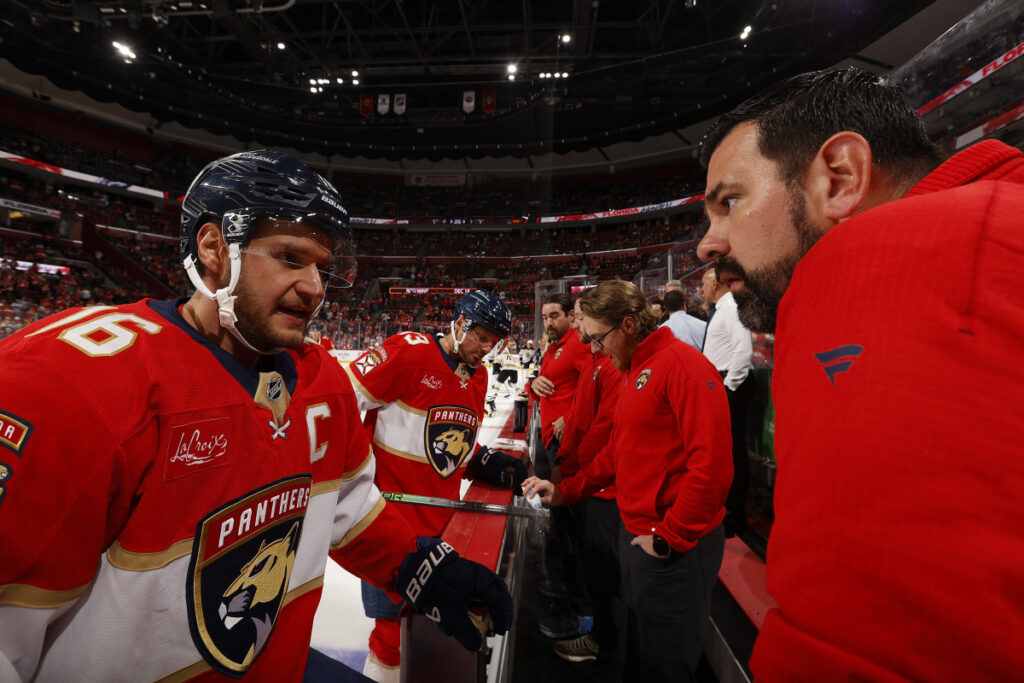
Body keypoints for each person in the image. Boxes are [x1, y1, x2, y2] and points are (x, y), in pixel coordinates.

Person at [0, 150, 513, 682]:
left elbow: (347, 506)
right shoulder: (66, 383)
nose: (316, 287)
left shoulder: (322, 380)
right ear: (214, 248)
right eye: (292, 258)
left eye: (324, 267)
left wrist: (414, 565)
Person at [695, 66, 1024, 681]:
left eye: (729, 202)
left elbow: (869, 646)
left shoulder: (872, 256)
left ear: (840, 177)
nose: (707, 245)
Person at [524, 279, 733, 683]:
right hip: (639, 535)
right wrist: (567, 490)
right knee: (638, 654)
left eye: (599, 339)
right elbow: (619, 451)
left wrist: (670, 536)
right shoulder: (635, 368)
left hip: (674, 546)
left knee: (666, 664)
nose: (594, 350)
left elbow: (712, 467)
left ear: (628, 326)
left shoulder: (683, 366)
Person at [342, 290, 527, 683]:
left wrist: (481, 460)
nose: (487, 348)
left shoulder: (479, 377)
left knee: (427, 636)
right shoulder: (408, 352)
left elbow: (450, 442)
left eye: (494, 341)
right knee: (392, 635)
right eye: (481, 336)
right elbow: (340, 401)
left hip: (443, 524)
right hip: (389, 524)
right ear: (459, 324)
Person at [548, 298, 626, 679]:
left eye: (581, 318)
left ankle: (606, 648)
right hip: (587, 480)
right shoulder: (596, 359)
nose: (579, 327)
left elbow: (602, 430)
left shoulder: (610, 364)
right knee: (591, 564)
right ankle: (601, 637)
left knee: (602, 572)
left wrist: (574, 472)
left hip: (601, 487)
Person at [699, 266, 754, 535]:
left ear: (717, 283)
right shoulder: (722, 308)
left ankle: (734, 515)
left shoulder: (731, 306)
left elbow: (743, 349)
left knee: (732, 451)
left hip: (730, 385)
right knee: (725, 451)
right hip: (721, 383)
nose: (702, 290)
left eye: (704, 283)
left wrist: (728, 386)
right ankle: (727, 508)